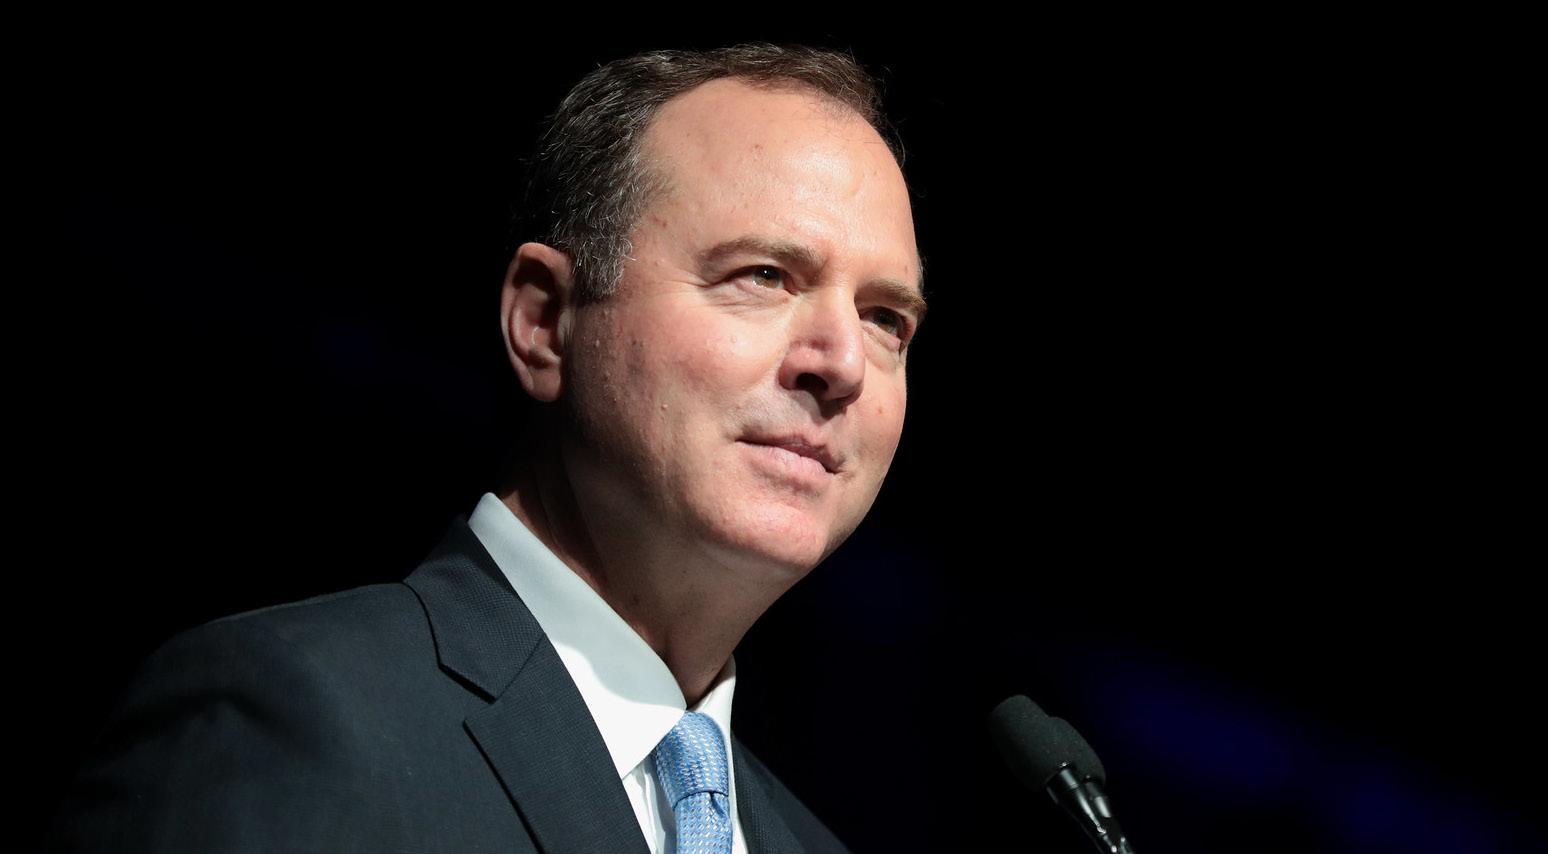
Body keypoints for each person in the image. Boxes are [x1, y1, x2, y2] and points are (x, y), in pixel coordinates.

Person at [49, 43, 925, 853]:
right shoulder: (293, 717)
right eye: (764, 276)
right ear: (544, 321)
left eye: (886, 319)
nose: (843, 363)